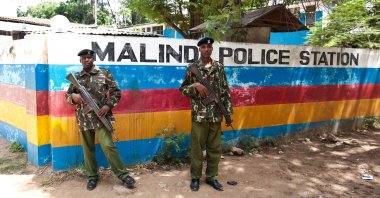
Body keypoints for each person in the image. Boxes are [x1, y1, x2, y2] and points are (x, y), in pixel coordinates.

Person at [65, 49, 135, 191]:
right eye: (84, 58)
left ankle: (123, 175)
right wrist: (73, 97)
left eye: (89, 57)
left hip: (101, 117)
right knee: (88, 149)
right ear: (80, 60)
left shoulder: (104, 73)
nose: (87, 60)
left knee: (109, 146)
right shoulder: (76, 77)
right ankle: (92, 177)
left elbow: (116, 92)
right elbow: (67, 95)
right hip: (84, 118)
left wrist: (108, 105)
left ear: (93, 59)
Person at [179, 37, 234, 191]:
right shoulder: (192, 68)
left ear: (212, 49)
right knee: (197, 148)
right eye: (203, 47)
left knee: (214, 148)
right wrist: (194, 86)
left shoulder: (219, 67)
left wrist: (228, 113)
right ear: (199, 49)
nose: (206, 49)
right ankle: (195, 177)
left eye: (209, 47)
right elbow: (182, 89)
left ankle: (211, 177)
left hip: (216, 114)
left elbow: (225, 91)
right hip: (199, 115)